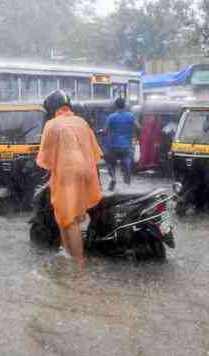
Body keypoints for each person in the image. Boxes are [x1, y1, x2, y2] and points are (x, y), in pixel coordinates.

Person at [36, 90, 103, 267]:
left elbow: (47, 156)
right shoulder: (81, 121)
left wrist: (48, 167)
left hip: (67, 173)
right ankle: (66, 252)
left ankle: (79, 263)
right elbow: (94, 150)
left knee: (69, 218)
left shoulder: (52, 125)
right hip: (85, 172)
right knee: (64, 215)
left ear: (51, 107)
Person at [102, 97, 138, 191]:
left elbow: (105, 131)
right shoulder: (131, 116)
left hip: (113, 146)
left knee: (110, 163)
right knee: (126, 160)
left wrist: (102, 132)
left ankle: (113, 178)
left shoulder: (111, 117)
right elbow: (138, 127)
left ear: (115, 106)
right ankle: (127, 178)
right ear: (124, 105)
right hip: (126, 146)